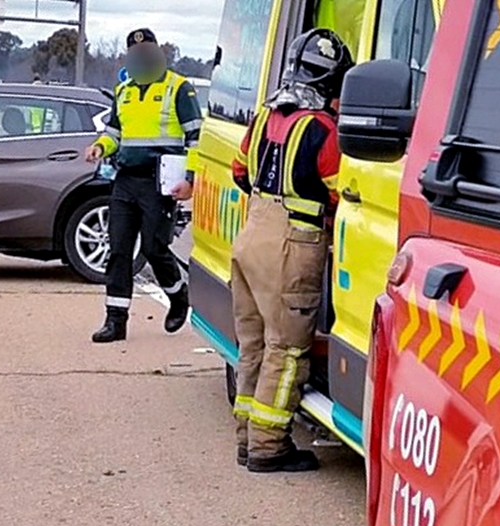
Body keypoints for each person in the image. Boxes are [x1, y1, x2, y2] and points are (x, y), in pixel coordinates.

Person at [229, 29, 353, 473]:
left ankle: (247, 439)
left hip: (251, 235)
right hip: (292, 245)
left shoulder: (264, 118)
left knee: (253, 345)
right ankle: (269, 446)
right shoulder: (322, 129)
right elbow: (341, 195)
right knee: (287, 350)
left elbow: (240, 171)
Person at [85, 28, 202, 343]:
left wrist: (190, 180)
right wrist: (100, 147)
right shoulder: (123, 91)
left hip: (158, 182)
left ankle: (178, 296)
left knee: (154, 248)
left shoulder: (179, 88)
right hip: (125, 180)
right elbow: (114, 133)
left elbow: (196, 138)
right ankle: (115, 320)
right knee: (119, 249)